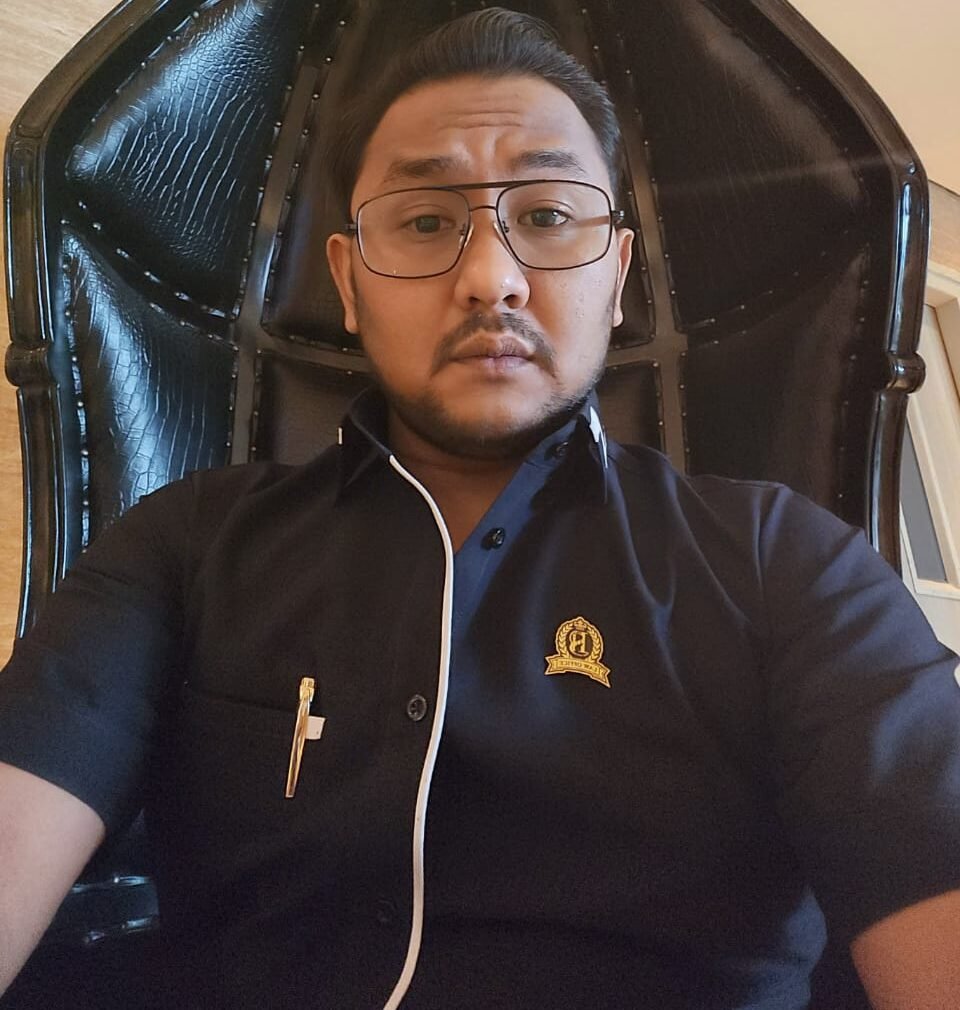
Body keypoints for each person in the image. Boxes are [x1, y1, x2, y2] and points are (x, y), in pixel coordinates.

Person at [1, 8, 959, 1009]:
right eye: (424, 222)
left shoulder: (785, 562)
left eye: (546, 217)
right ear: (349, 283)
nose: (490, 279)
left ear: (616, 275)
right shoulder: (185, 544)